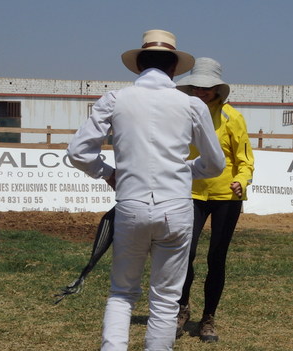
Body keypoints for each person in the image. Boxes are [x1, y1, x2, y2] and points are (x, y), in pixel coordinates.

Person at [67, 31, 225, 351]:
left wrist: (108, 173)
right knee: (166, 299)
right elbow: (214, 164)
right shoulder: (192, 104)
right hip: (176, 206)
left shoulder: (115, 98)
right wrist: (183, 172)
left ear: (139, 66)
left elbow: (78, 152)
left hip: (131, 203)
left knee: (122, 293)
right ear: (175, 69)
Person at [175, 57, 255, 342]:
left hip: (226, 197)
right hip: (191, 193)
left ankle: (208, 318)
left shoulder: (233, 117)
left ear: (218, 89)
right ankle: (181, 309)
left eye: (207, 87)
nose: (201, 91)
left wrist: (242, 181)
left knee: (216, 257)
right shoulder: (182, 114)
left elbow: (245, 160)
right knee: (185, 254)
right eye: (196, 86)